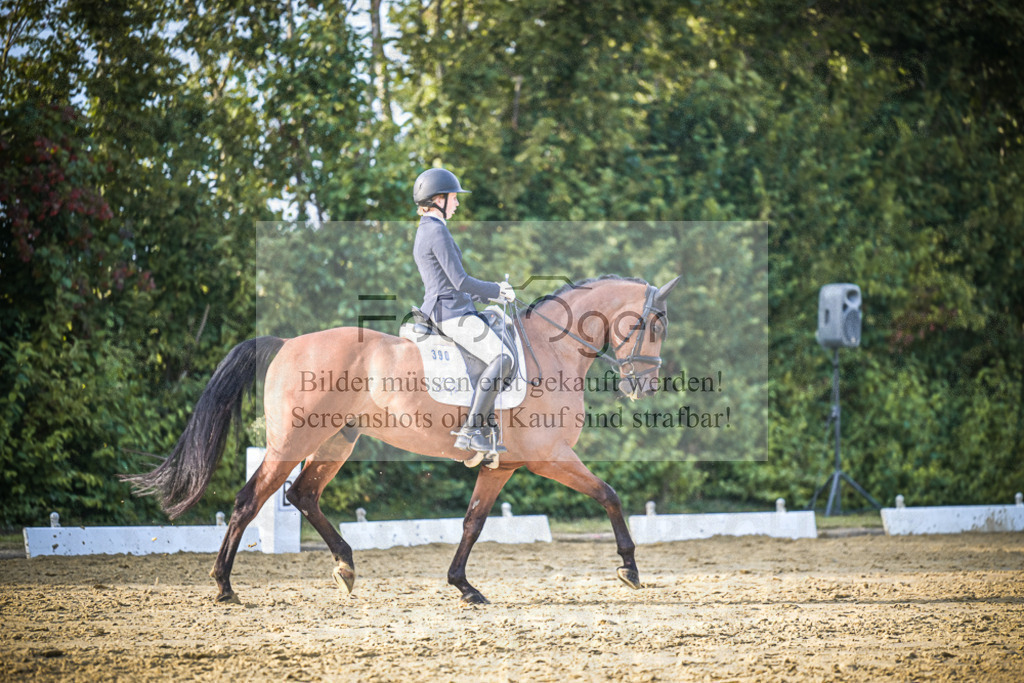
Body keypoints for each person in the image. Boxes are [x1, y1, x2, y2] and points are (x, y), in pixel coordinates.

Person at [412, 168, 515, 454]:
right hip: (450, 313)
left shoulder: (426, 230)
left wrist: (484, 300)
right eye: (454, 198)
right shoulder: (437, 231)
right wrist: (497, 290)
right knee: (503, 358)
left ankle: (485, 425)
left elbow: (448, 281)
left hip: (449, 307)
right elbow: (459, 281)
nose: (457, 204)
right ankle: (471, 430)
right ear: (439, 199)